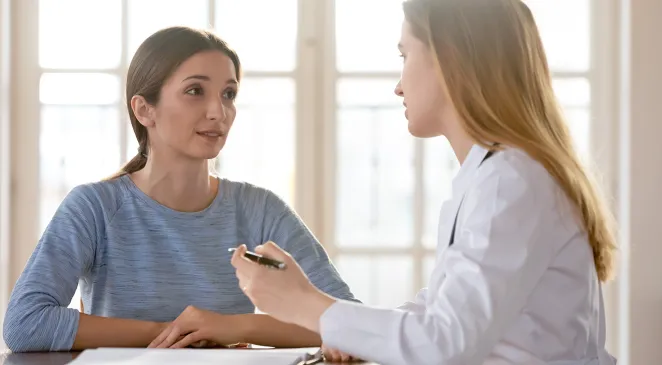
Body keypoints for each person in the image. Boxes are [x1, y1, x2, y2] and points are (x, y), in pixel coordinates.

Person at [227, 1, 619, 364]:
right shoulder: (490, 174)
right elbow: (437, 312)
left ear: (451, 60)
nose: (398, 85)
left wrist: (304, 303)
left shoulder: (511, 180)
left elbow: (444, 342)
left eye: (404, 55)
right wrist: (349, 331)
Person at [2, 26, 355, 353]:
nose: (219, 111)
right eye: (194, 91)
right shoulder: (94, 207)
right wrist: (179, 331)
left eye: (228, 94)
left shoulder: (259, 208)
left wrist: (233, 327)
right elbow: (26, 324)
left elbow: (350, 322)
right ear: (144, 110)